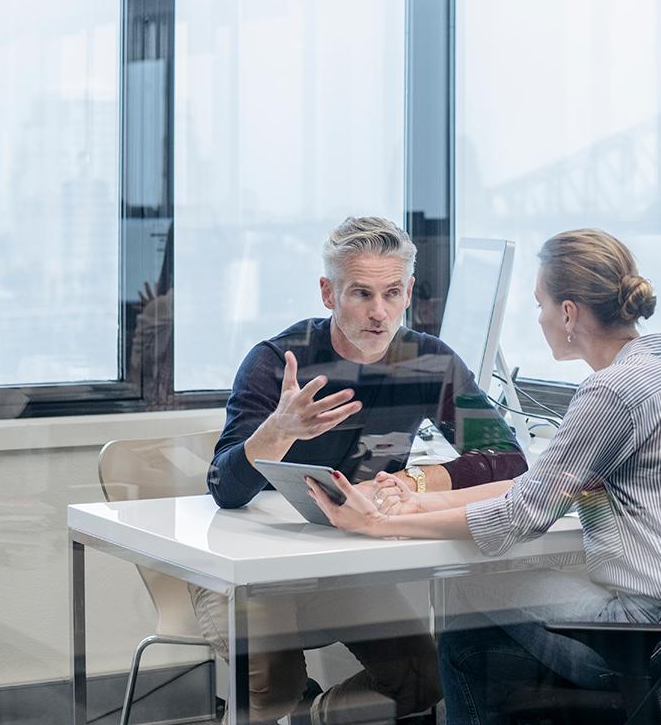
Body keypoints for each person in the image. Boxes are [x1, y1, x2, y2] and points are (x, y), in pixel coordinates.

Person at [304, 228, 661, 725]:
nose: (541, 318)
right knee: (473, 638)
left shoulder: (611, 393)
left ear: (568, 313)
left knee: (463, 594)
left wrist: (379, 524)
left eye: (540, 305)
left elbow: (516, 517)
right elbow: (543, 489)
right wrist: (416, 504)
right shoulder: (659, 371)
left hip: (649, 635)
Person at [200, 216, 530, 724]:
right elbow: (225, 488)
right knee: (271, 689)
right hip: (246, 570)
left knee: (425, 678)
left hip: (341, 562)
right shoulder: (277, 362)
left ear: (409, 292)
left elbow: (506, 458)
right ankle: (293, 702)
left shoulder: (427, 361)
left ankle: (316, 715)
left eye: (392, 293)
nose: (379, 313)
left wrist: (412, 482)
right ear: (328, 293)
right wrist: (279, 429)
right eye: (360, 294)